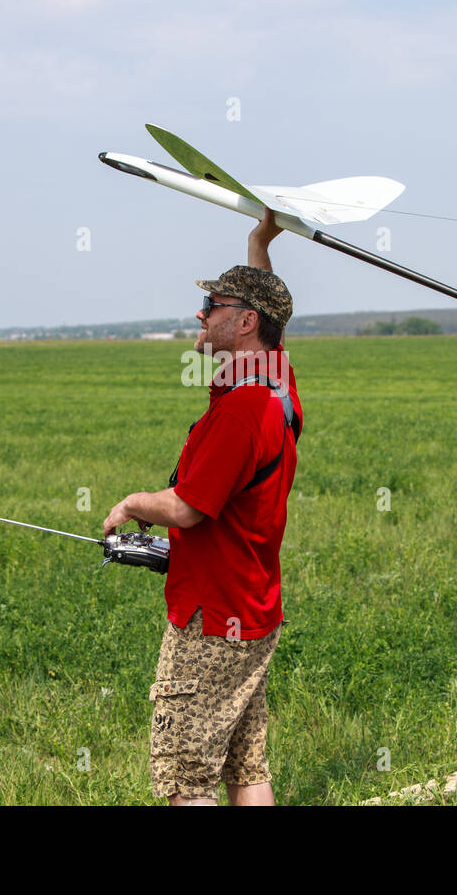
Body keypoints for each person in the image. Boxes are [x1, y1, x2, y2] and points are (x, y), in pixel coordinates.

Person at [102, 208, 302, 806]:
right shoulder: (276, 386)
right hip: (253, 610)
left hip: (212, 620)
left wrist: (131, 503)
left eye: (213, 304)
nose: (200, 312)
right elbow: (270, 313)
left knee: (185, 777)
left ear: (243, 322)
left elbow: (188, 509)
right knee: (246, 764)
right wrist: (258, 241)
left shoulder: (242, 413)